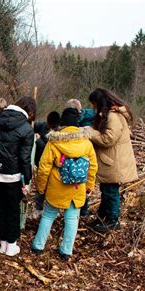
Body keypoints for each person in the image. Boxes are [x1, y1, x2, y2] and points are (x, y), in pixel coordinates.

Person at [31, 108, 98, 261]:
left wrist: (41, 188)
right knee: (72, 219)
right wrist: (89, 186)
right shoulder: (86, 143)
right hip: (77, 188)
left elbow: (44, 167)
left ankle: (38, 246)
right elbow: (93, 166)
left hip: (56, 188)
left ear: (62, 124)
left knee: (48, 215)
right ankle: (66, 251)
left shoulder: (54, 142)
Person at [0, 96, 36, 256]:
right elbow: (25, 159)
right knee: (12, 210)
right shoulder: (27, 129)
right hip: (13, 178)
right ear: (30, 112)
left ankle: (3, 243)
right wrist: (27, 181)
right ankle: (11, 246)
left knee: (0, 209)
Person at [85, 88, 138, 232]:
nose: (93, 107)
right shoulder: (110, 114)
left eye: (94, 104)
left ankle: (113, 220)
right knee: (106, 189)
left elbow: (108, 139)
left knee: (111, 191)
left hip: (114, 161)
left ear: (99, 102)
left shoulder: (113, 116)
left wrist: (90, 133)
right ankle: (103, 217)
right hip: (111, 160)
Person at [65, 99, 95, 217]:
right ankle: (80, 210)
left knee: (82, 180)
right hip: (81, 155)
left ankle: (83, 211)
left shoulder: (89, 118)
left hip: (83, 155)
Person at [33, 111, 60, 214]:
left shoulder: (59, 133)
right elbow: (31, 127)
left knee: (53, 187)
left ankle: (53, 209)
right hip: (41, 162)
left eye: (53, 126)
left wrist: (39, 141)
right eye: (49, 126)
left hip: (54, 165)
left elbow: (51, 150)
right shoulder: (40, 125)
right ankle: (38, 208)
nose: (51, 128)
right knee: (41, 185)